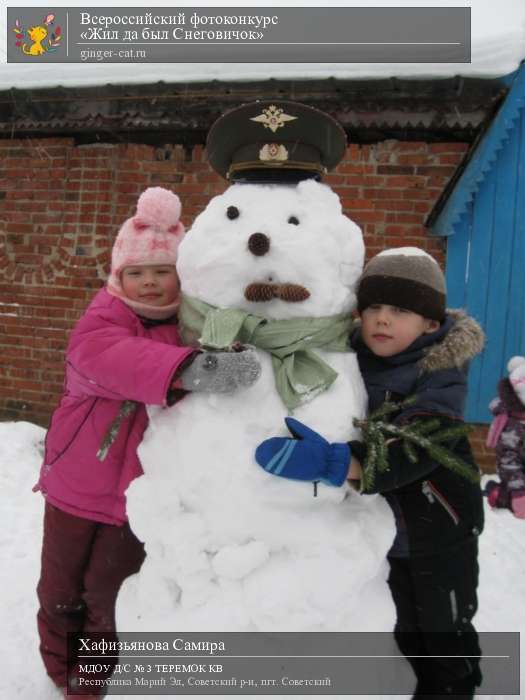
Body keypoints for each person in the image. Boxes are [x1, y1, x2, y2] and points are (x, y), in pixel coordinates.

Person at [34, 187, 261, 699]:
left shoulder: (191, 331)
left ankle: (86, 685)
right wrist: (194, 368)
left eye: (162, 272)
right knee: (58, 593)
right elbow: (112, 360)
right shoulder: (101, 321)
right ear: (119, 276)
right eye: (137, 273)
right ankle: (58, 672)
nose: (150, 283)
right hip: (75, 484)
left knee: (104, 597)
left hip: (139, 496)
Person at [255, 247, 485, 699]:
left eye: (399, 310)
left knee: (443, 632)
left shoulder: (440, 374)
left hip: (438, 530)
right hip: (382, 531)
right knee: (399, 629)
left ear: (431, 324)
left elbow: (419, 446)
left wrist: (336, 463)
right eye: (373, 308)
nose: (381, 319)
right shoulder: (350, 359)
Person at [485, 356, 525, 518]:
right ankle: (496, 493)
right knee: (515, 503)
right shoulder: (513, 425)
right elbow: (509, 462)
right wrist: (519, 492)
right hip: (516, 478)